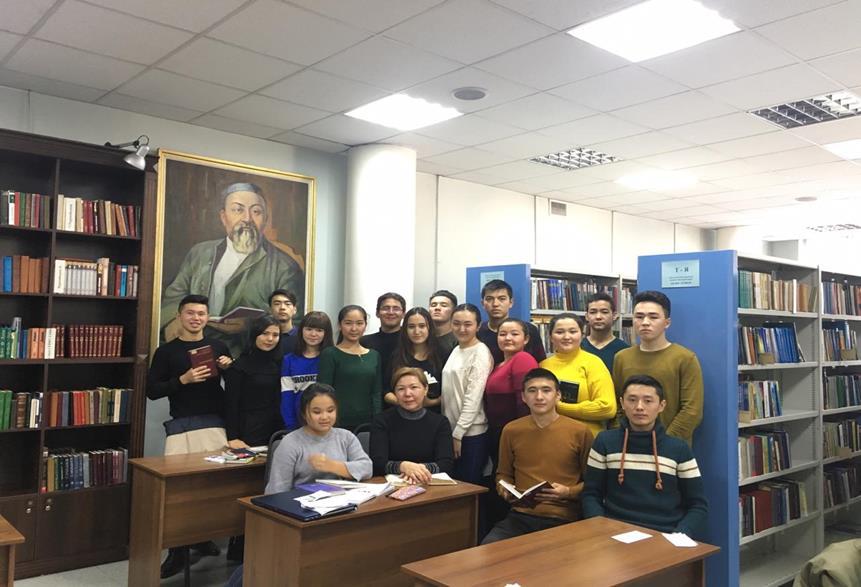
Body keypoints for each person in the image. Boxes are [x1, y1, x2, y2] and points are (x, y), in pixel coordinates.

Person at [160, 182, 304, 356]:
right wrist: (172, 321)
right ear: (223, 216)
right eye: (238, 210)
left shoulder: (285, 267)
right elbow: (174, 296)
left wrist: (251, 325)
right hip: (196, 348)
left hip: (247, 354)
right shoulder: (200, 253)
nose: (247, 218)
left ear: (265, 219)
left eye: (256, 212)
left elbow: (293, 321)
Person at [145, 294, 233, 579]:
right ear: (180, 316)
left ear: (208, 317)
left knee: (211, 489)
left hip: (216, 424)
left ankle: (202, 537)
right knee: (179, 492)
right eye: (191, 313)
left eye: (201, 314)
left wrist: (229, 368)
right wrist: (182, 380)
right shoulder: (166, 352)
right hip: (182, 426)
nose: (196, 318)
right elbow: (152, 391)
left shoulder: (218, 346)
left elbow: (234, 385)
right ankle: (177, 551)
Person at [582, 375, 708, 537]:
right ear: (622, 403)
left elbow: (698, 505)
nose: (639, 407)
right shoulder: (604, 442)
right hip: (615, 533)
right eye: (632, 400)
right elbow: (591, 494)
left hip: (665, 534)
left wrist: (679, 535)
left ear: (661, 405)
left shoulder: (679, 449)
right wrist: (601, 529)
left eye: (648, 401)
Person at [482, 368, 593, 544]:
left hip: (563, 517)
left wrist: (568, 492)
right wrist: (505, 490)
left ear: (558, 395)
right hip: (520, 515)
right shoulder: (511, 430)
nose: (539, 397)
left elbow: (593, 482)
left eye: (546, 390)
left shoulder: (580, 431)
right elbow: (503, 474)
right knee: (489, 547)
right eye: (532, 391)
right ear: (523, 397)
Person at [612, 291, 704, 445]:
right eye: (639, 317)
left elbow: (692, 411)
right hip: (628, 444)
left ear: (667, 322)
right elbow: (617, 404)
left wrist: (665, 442)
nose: (645, 322)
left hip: (670, 447)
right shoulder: (621, 358)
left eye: (653, 317)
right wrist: (621, 436)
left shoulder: (685, 358)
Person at [265, 383, 373, 494]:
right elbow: (276, 490)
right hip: (300, 501)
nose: (325, 417)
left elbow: (367, 468)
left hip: (341, 499)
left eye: (330, 410)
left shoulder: (346, 437)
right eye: (317, 412)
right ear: (304, 413)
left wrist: (332, 466)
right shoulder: (290, 443)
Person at [484, 318, 538, 527]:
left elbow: (524, 401)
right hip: (498, 433)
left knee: (509, 485)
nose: (508, 338)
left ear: (526, 339)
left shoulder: (523, 359)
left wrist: (521, 435)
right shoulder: (499, 363)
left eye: (514, 334)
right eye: (502, 334)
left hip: (515, 433)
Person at [370, 367, 454, 482]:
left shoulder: (440, 422)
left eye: (414, 387)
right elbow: (377, 463)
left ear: (425, 389)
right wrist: (403, 466)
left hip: (429, 482)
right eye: (401, 389)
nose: (407, 394)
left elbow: (446, 463)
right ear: (394, 393)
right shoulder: (381, 421)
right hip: (393, 484)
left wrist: (416, 470)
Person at [539, 313, 616, 439]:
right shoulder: (543, 366)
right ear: (551, 337)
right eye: (559, 332)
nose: (566, 337)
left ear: (582, 335)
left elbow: (607, 408)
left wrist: (559, 407)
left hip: (586, 438)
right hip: (550, 437)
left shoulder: (593, 363)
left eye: (573, 331)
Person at [441, 303, 492, 485]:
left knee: (468, 487)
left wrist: (458, 434)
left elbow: (473, 397)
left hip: (470, 434)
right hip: (453, 430)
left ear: (478, 326)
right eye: (456, 323)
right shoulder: (457, 349)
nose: (461, 329)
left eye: (468, 324)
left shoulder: (480, 352)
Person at [318, 305, 382, 431]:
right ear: (340, 325)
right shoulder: (330, 354)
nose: (354, 328)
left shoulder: (374, 355)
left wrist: (377, 420)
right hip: (337, 422)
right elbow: (324, 392)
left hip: (368, 423)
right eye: (348, 323)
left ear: (365, 325)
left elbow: (377, 393)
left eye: (359, 323)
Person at [224, 314, 284, 449]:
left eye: (275, 335)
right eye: (265, 333)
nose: (270, 339)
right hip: (247, 433)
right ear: (254, 335)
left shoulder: (280, 364)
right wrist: (232, 437)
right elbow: (231, 404)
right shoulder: (239, 366)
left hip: (275, 432)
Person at [281, 311, 334, 430]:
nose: (313, 334)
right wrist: (290, 426)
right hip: (298, 424)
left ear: (326, 333)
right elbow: (287, 397)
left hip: (327, 423)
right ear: (301, 331)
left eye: (319, 330)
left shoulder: (331, 358)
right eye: (309, 329)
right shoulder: (289, 360)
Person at [386, 307, 444, 412]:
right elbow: (386, 391)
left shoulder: (442, 354)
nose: (417, 331)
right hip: (401, 415)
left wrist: (432, 402)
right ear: (405, 330)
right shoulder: (397, 356)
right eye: (411, 327)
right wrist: (408, 402)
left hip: (434, 416)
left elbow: (450, 393)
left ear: (429, 328)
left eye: (422, 326)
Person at [477, 279, 545, 365]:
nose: (495, 304)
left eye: (502, 299)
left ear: (511, 302)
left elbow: (541, 363)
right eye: (489, 299)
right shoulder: (477, 332)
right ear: (482, 303)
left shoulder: (529, 330)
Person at [360, 292, 405, 386]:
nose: (391, 312)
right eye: (386, 308)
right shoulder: (364, 342)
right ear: (377, 313)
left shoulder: (410, 342)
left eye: (396, 308)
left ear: (403, 314)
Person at [582, 292, 630, 373]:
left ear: (614, 315)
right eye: (593, 312)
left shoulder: (624, 351)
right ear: (587, 316)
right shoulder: (578, 347)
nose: (598, 317)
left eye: (604, 312)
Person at [270, 289, 299, 355]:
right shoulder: (263, 336)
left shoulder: (302, 336)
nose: (282, 307)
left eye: (287, 304)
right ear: (270, 310)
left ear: (294, 310)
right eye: (277, 304)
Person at [429, 289, 458, 356]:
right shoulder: (423, 337)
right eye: (433, 305)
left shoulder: (458, 340)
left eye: (444, 305)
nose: (437, 308)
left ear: (454, 310)